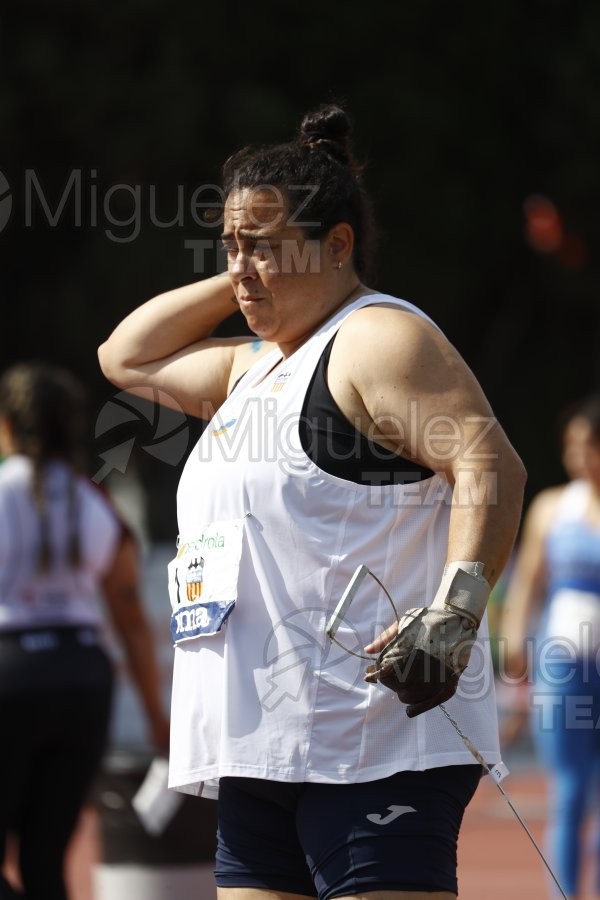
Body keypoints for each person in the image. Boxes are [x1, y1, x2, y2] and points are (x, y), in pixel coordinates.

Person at [98, 104, 526, 900]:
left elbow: (489, 463)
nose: (240, 269)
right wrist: (246, 268)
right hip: (260, 749)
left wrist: (457, 610)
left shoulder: (376, 339)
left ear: (339, 246)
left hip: (372, 742)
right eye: (229, 247)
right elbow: (125, 355)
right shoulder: (250, 366)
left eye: (262, 247)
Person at [0, 361, 170, 900]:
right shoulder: (94, 502)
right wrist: (155, 717)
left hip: (10, 670)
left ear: (5, 424)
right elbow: (130, 620)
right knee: (48, 861)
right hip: (82, 679)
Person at [501, 394, 600, 898]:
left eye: (590, 445)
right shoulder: (552, 507)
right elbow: (528, 583)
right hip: (565, 664)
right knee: (569, 791)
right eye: (573, 446)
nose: (580, 456)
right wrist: (515, 641)